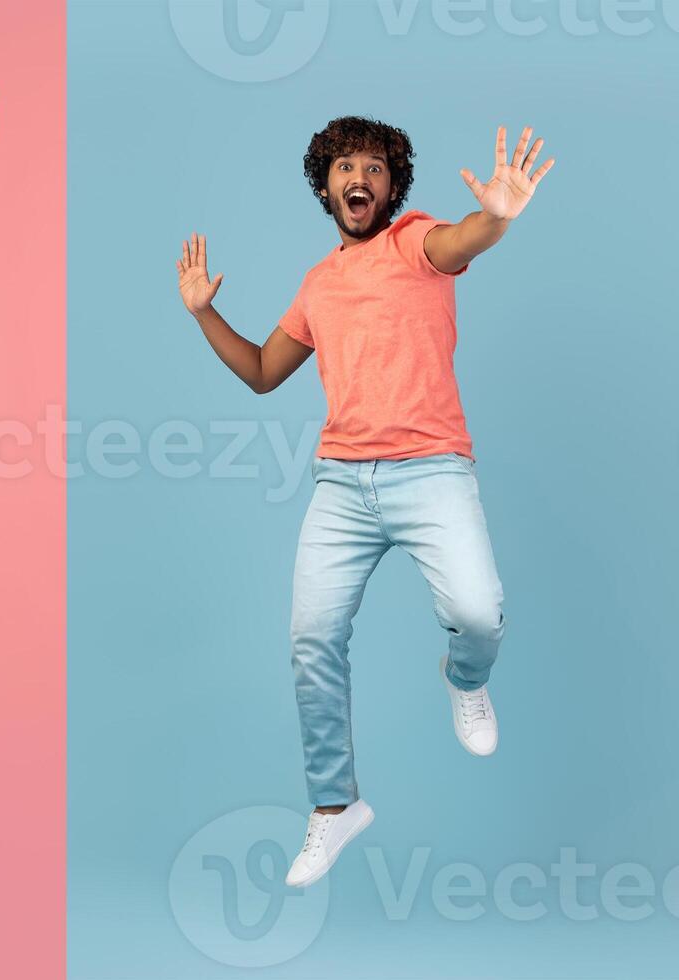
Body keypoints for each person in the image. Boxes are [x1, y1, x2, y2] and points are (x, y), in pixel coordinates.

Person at [171, 118, 547, 889]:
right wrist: (204, 311)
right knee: (312, 639)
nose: (362, 177)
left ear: (391, 189)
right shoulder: (318, 283)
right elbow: (263, 372)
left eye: (376, 168)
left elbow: (464, 240)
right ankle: (335, 808)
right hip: (343, 485)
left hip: (432, 471)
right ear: (325, 185)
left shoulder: (416, 242)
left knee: (478, 614)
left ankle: (466, 681)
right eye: (348, 166)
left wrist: (497, 218)